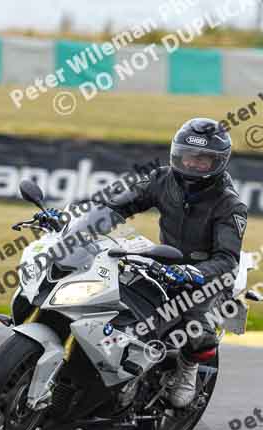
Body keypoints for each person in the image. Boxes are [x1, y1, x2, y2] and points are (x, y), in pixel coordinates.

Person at [104, 118, 249, 408]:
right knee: (115, 293)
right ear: (176, 153)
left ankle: (187, 369)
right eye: (188, 156)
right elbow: (118, 204)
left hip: (207, 276)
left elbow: (227, 260)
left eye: (203, 160)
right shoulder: (162, 178)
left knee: (196, 324)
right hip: (162, 261)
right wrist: (78, 220)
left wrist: (191, 273)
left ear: (218, 162)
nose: (193, 164)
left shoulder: (229, 205)